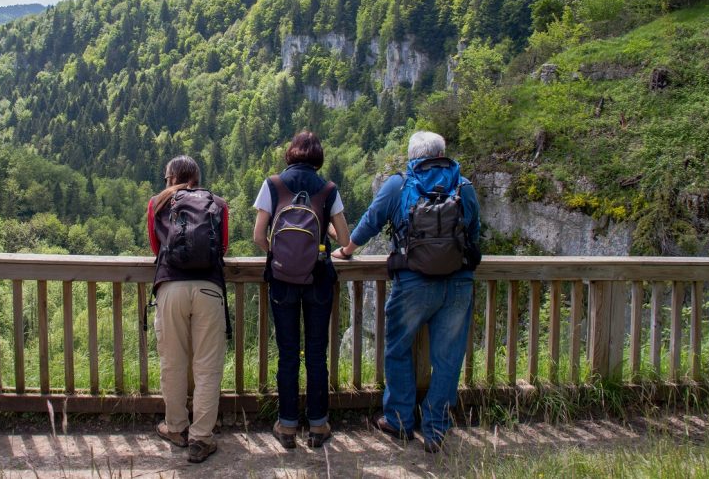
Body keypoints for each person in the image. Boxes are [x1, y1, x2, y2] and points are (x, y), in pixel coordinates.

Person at [332, 131, 480, 453]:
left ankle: (398, 419)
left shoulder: (399, 184)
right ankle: (436, 430)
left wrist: (346, 250)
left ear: (413, 157)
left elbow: (371, 220)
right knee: (448, 359)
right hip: (458, 283)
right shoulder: (464, 187)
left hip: (413, 282)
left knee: (398, 348)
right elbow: (474, 233)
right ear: (442, 153)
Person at [253, 131, 351, 449]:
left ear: (291, 153)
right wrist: (326, 234)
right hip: (319, 278)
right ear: (318, 157)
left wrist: (280, 257)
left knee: (288, 355)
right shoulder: (328, 189)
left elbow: (257, 235)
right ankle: (318, 426)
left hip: (282, 281)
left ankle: (287, 425)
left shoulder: (273, 185)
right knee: (316, 355)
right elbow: (346, 237)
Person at [148, 155, 229, 464]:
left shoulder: (158, 203)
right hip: (209, 288)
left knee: (173, 362)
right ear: (197, 176)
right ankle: (201, 438)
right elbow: (222, 247)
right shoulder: (217, 204)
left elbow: (156, 248)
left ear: (170, 177)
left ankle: (176, 427)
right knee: (207, 367)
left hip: (170, 287)